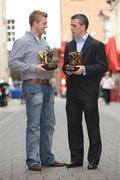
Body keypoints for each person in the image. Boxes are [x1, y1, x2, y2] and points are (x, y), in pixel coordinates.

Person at [8, 10, 65, 171]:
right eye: (44, 23)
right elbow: (12, 62)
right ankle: (33, 160)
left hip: (47, 86)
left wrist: (51, 68)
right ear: (34, 23)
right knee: (34, 125)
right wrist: (34, 67)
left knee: (49, 124)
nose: (46, 25)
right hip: (32, 86)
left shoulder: (45, 43)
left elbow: (45, 66)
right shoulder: (22, 41)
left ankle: (47, 158)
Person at [62, 14, 108, 169]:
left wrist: (85, 70)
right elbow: (65, 66)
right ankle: (76, 159)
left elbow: (103, 66)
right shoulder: (69, 45)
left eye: (74, 25)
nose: (71, 28)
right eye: (71, 25)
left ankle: (93, 159)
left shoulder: (96, 45)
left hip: (89, 92)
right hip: (72, 93)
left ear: (82, 26)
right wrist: (67, 70)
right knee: (73, 125)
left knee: (92, 126)